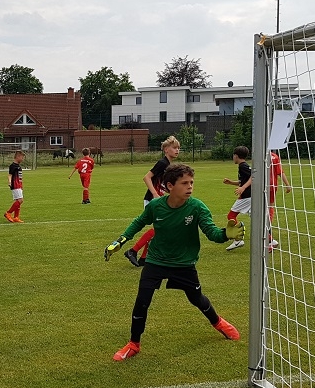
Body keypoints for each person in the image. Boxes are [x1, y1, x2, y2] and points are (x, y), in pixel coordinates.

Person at [104, 163, 244, 361]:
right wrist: (121, 240)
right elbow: (139, 222)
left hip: (183, 264)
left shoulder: (197, 207)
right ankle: (134, 344)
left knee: (197, 299)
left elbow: (212, 233)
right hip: (156, 261)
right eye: (184, 183)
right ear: (170, 186)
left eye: (191, 182)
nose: (190, 187)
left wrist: (225, 234)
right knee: (142, 301)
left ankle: (218, 322)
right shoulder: (156, 206)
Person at [124, 136, 181, 267]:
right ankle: (132, 251)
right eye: (174, 148)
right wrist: (155, 194)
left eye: (178, 148)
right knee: (160, 229)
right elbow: (147, 177)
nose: (177, 150)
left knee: (160, 230)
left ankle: (143, 258)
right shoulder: (162, 163)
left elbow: (161, 185)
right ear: (166, 150)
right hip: (152, 200)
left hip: (158, 200)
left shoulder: (168, 165)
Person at [222, 146, 252, 251]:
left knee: (231, 216)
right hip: (250, 196)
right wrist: (231, 182)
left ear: (236, 156)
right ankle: (270, 240)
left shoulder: (243, 166)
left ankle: (238, 239)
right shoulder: (243, 166)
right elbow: (243, 181)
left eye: (233, 155)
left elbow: (253, 177)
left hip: (246, 197)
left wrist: (243, 188)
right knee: (258, 220)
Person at [267, 150, 292, 249]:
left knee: (264, 208)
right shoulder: (274, 156)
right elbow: (280, 172)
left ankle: (268, 233)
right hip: (272, 186)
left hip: (261, 185)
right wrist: (288, 185)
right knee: (270, 207)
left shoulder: (259, 154)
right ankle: (267, 228)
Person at [4, 150, 25, 223]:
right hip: (15, 185)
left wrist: (21, 185)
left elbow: (19, 177)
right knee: (20, 200)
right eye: (22, 157)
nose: (22, 159)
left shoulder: (18, 166)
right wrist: (9, 182)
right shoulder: (13, 166)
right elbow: (10, 175)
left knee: (17, 201)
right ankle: (8, 213)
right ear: (18, 157)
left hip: (19, 185)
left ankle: (16, 217)